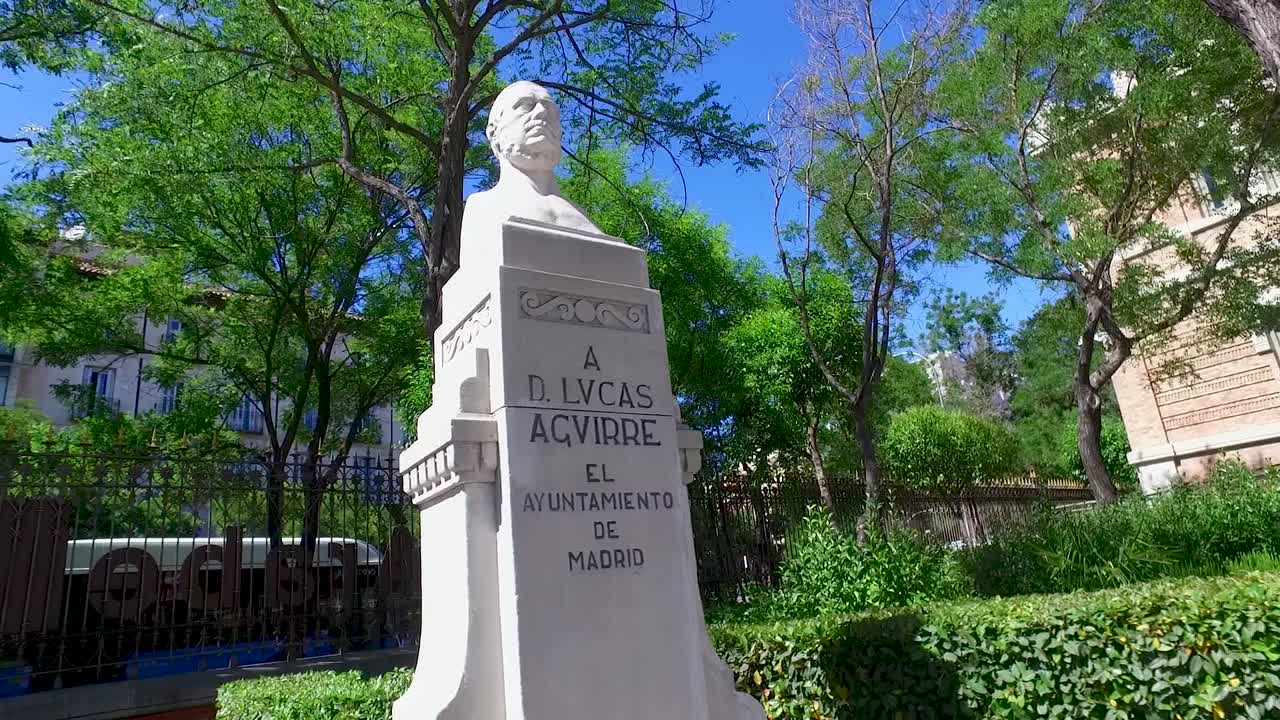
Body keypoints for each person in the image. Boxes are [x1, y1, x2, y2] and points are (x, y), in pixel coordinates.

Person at [460, 81, 602, 263]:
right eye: (525, 105)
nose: (543, 113)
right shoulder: (483, 209)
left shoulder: (581, 217)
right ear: (493, 132)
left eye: (551, 110)